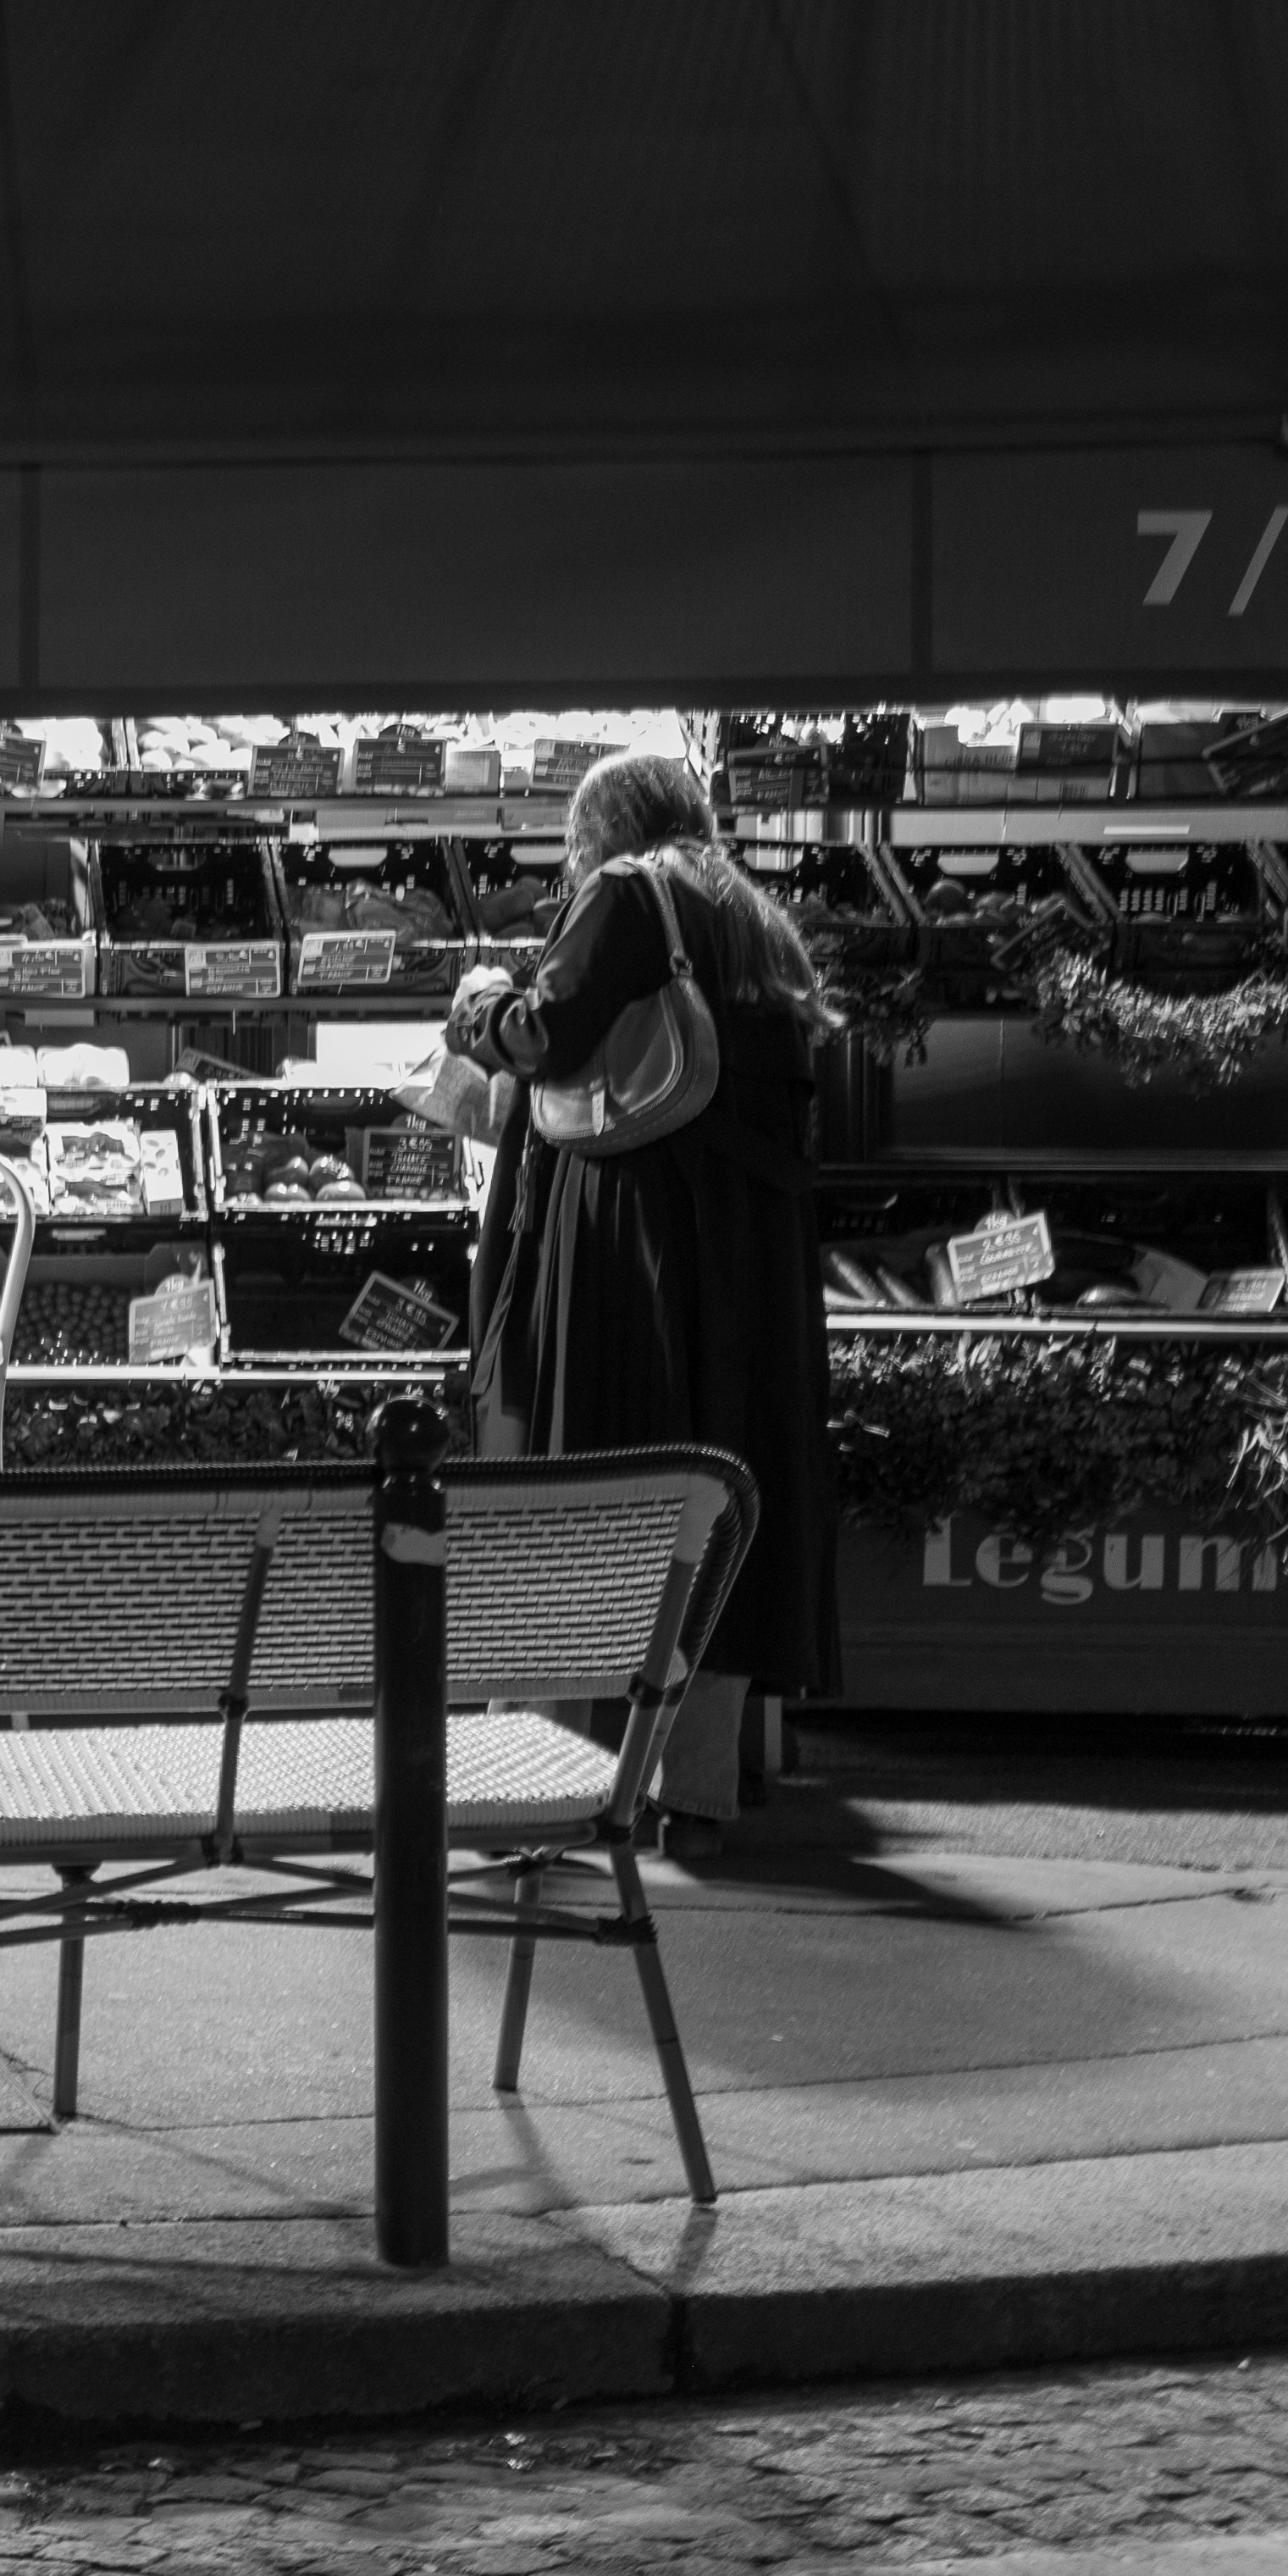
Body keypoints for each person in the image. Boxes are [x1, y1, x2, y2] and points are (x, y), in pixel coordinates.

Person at [444, 747, 837, 1795]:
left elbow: (545, 1034)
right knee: (706, 1502)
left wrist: (480, 1005)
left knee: (591, 1482)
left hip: (630, 1243)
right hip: (741, 1255)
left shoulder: (626, 894)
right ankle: (694, 1785)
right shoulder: (751, 913)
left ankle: (555, 1774)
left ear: (600, 830)